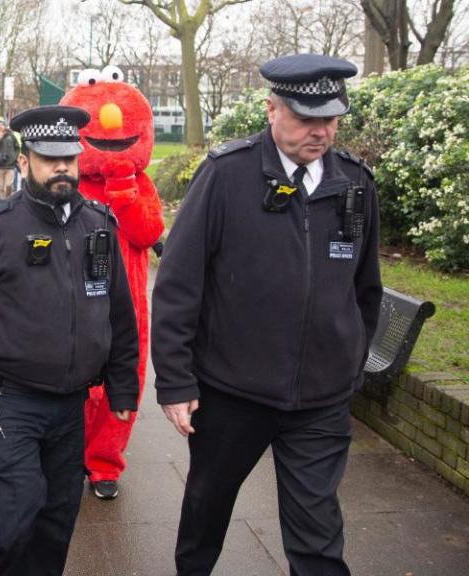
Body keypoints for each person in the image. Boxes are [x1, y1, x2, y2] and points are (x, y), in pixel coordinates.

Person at [151, 54, 382, 576]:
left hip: (321, 399)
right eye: (306, 118)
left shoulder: (355, 185)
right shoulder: (225, 175)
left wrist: (349, 364)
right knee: (206, 511)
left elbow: (366, 289)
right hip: (233, 393)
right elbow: (179, 285)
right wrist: (175, 381)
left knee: (318, 537)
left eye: (330, 118)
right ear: (271, 108)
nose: (321, 131)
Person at [0, 105, 140, 575]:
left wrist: (122, 388)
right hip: (11, 400)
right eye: (48, 158)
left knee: (57, 520)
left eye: (69, 158)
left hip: (72, 405)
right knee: (9, 520)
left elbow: (120, 314)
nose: (62, 167)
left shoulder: (98, 224)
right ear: (24, 163)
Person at [60, 67, 165, 500]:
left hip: (127, 305)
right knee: (78, 383)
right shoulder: (68, 182)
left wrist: (124, 188)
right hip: (76, 301)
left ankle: (104, 462)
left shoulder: (141, 184)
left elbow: (147, 233)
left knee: (123, 382)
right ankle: (68, 456)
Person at [0, 117, 18, 199]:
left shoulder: (11, 135)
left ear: (5, 126)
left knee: (8, 185)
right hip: (0, 165)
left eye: (2, 124)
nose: (0, 126)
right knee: (1, 188)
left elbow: (17, 147)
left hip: (10, 165)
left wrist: (14, 157)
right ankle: (3, 204)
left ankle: (8, 199)